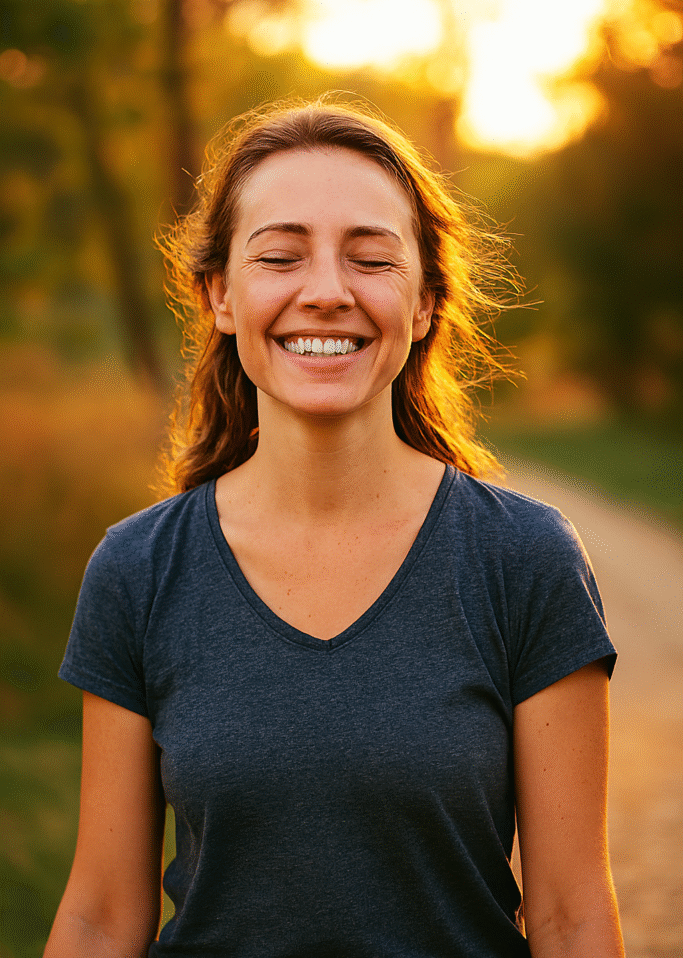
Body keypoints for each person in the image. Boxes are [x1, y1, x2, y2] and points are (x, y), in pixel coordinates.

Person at [45, 96, 625, 958]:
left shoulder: (523, 559)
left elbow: (574, 917)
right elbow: (99, 913)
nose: (325, 293)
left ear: (425, 302)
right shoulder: (138, 568)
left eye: (370, 259)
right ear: (220, 297)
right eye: (279, 256)